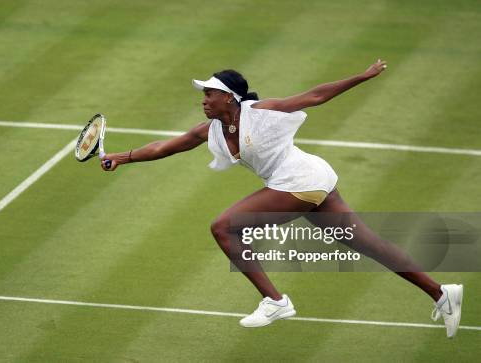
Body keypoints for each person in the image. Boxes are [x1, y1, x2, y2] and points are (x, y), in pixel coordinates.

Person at [99, 60, 463, 338]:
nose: (204, 100)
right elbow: (165, 147)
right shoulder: (210, 129)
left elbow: (316, 95)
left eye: (210, 93)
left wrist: (362, 77)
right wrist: (123, 156)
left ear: (229, 96)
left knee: (224, 227)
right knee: (371, 246)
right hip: (311, 180)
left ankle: (276, 302)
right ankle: (442, 293)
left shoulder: (261, 112)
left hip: (301, 179)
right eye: (204, 94)